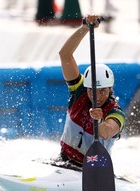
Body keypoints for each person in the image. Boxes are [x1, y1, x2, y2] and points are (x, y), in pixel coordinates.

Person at [58, 15, 125, 167]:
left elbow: (107, 132)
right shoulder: (78, 91)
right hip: (63, 161)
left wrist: (99, 121)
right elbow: (65, 55)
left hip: (91, 170)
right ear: (86, 87)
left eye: (103, 91)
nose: (98, 96)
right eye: (93, 91)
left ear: (110, 89)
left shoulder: (115, 112)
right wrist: (84, 28)